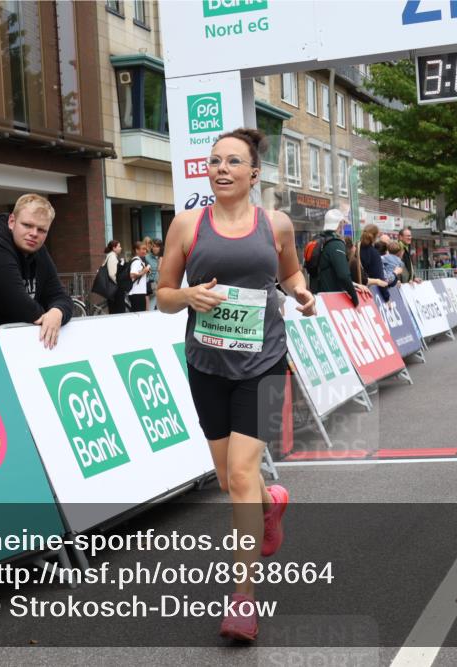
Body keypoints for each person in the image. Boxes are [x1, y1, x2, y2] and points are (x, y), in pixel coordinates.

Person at [156, 128, 317, 642]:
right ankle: (271, 503)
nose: (222, 168)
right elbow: (162, 294)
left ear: (254, 172)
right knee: (229, 481)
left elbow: (290, 276)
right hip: (208, 365)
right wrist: (189, 299)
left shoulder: (277, 225)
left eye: (233, 161)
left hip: (268, 364)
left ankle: (242, 599)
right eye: (215, 160)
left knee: (242, 475)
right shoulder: (186, 226)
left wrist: (303, 294)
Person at [0, 194, 73, 348]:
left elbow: (59, 295)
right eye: (27, 225)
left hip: (19, 345)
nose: (34, 233)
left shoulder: (37, 248)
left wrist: (57, 312)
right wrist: (47, 317)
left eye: (42, 230)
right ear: (12, 221)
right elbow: (17, 305)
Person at [307, 209, 366, 306]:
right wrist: (354, 297)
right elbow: (343, 275)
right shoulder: (335, 243)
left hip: (317, 295)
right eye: (343, 223)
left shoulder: (317, 239)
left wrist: (355, 285)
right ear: (340, 223)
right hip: (332, 298)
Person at [359, 224, 390, 300]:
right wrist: (387, 298)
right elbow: (379, 276)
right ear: (375, 237)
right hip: (369, 293)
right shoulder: (374, 253)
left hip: (354, 290)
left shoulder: (356, 249)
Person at [101, 240, 130, 314]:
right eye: (119, 246)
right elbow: (112, 274)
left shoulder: (110, 256)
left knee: (114, 311)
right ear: (114, 248)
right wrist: (118, 283)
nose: (121, 248)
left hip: (112, 289)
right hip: (115, 290)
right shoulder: (112, 257)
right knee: (118, 311)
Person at [128, 241, 151, 312]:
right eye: (143, 249)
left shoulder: (139, 261)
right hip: (137, 293)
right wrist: (144, 271)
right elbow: (132, 275)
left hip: (139, 293)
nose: (145, 251)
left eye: (145, 249)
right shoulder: (136, 261)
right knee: (139, 315)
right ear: (137, 250)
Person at [145, 238, 162, 309]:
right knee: (151, 308)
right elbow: (144, 270)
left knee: (161, 308)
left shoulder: (164, 256)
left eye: (157, 246)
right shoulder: (147, 257)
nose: (155, 248)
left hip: (162, 284)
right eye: (154, 246)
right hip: (152, 284)